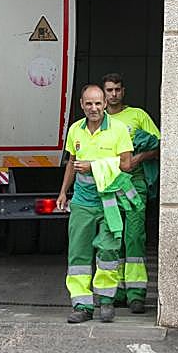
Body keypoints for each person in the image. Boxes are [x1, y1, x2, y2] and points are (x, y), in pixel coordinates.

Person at [56, 84, 135, 324]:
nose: (94, 108)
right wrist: (63, 192)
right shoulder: (75, 130)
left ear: (105, 104)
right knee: (78, 254)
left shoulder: (118, 129)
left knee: (109, 251)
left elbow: (127, 164)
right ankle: (82, 305)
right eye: (89, 103)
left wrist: (94, 165)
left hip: (109, 201)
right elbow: (72, 163)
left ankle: (107, 301)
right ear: (81, 104)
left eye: (98, 103)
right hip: (82, 201)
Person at [102, 72, 161, 314]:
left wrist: (138, 158)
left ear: (123, 91)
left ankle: (136, 294)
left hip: (134, 183)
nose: (114, 94)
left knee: (134, 236)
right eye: (109, 90)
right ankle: (115, 292)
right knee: (112, 238)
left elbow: (159, 144)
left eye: (117, 89)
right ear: (103, 93)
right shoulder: (98, 118)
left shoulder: (138, 115)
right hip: (108, 184)